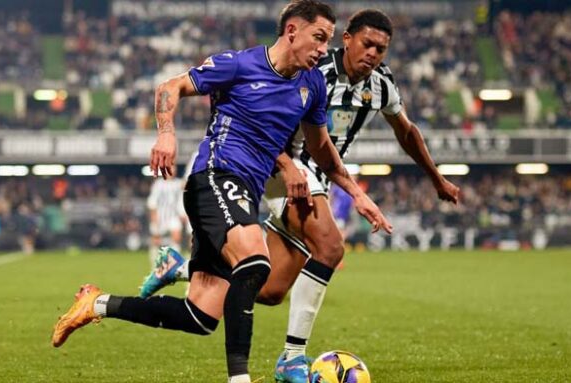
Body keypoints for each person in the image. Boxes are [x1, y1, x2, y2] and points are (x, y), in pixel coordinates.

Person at [51, 2, 391, 383]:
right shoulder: (239, 65)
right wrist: (166, 133)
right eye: (318, 38)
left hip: (245, 191)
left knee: (200, 316)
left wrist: (357, 194)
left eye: (327, 40)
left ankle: (96, 304)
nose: (322, 49)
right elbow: (171, 86)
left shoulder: (311, 84)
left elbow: (322, 148)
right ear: (292, 31)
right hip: (213, 176)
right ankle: (239, 379)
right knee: (256, 262)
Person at [137, 9, 459, 382]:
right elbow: (256, 120)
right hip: (282, 167)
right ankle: (292, 358)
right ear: (348, 40)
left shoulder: (382, 85)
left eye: (381, 49)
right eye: (367, 43)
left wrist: (435, 178)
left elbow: (407, 132)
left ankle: (180, 270)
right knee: (330, 245)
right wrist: (288, 167)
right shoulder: (313, 69)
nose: (372, 53)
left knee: (271, 289)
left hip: (318, 173)